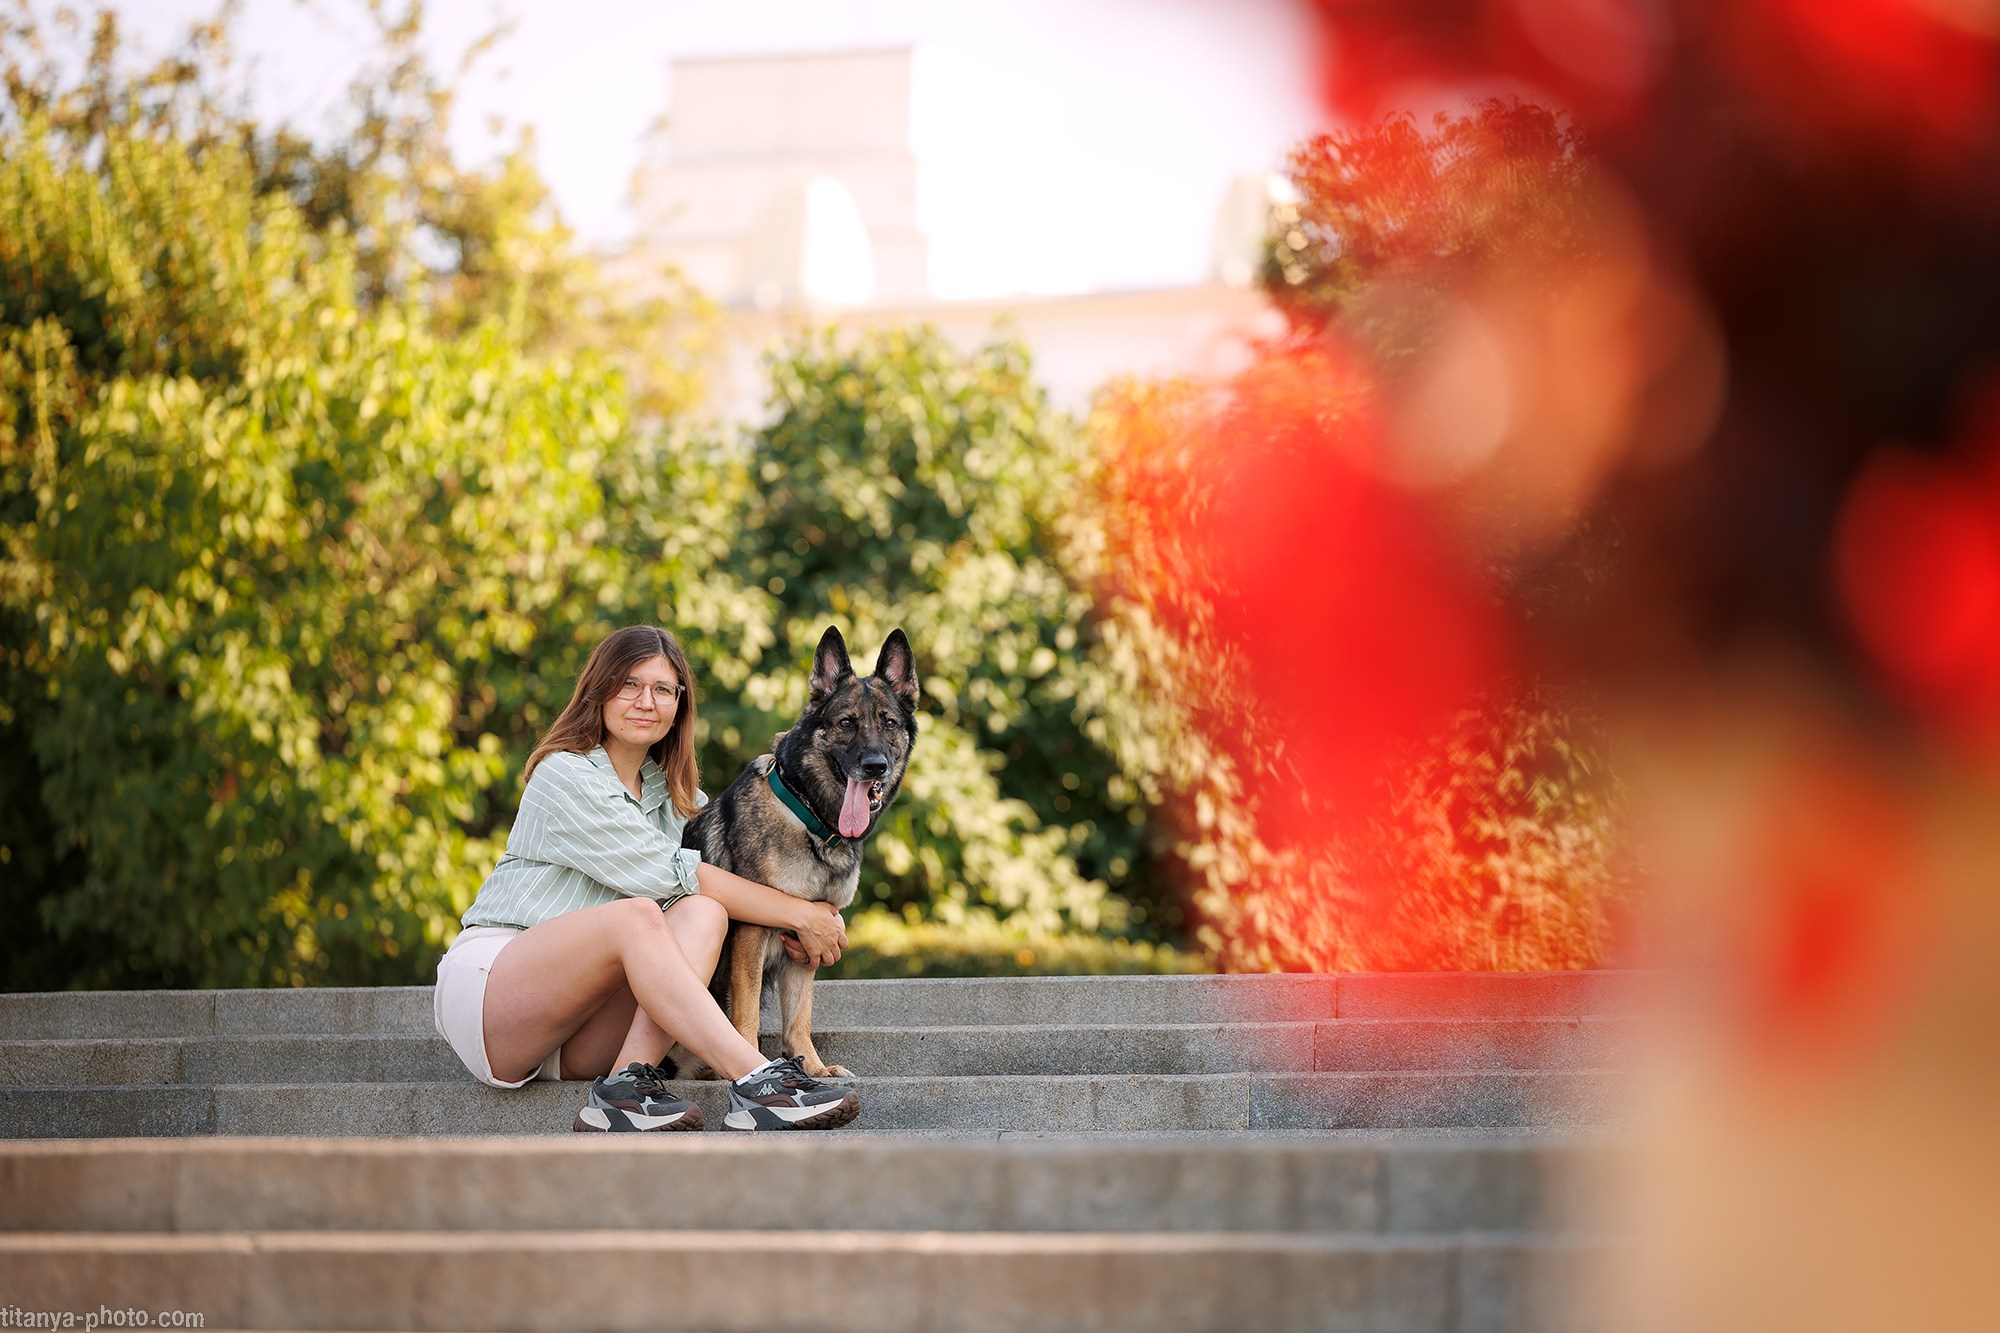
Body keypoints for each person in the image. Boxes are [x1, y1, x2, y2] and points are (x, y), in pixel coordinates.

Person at [432, 624, 858, 1131]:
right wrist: (801, 914)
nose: (645, 701)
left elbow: (728, 868)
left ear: (679, 703)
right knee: (644, 912)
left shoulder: (674, 798)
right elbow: (676, 873)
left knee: (702, 914)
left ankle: (626, 1087)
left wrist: (808, 927)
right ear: (599, 689)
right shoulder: (564, 774)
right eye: (629, 684)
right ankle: (754, 1078)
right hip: (496, 997)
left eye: (662, 689)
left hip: (578, 1036)